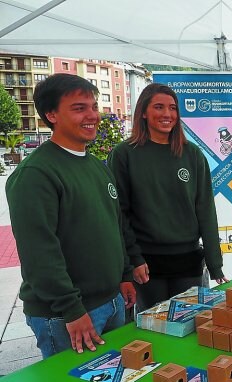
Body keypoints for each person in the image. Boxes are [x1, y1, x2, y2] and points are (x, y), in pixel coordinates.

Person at [5, 73, 135, 358]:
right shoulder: (35, 174)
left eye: (93, 106)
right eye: (79, 108)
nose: (92, 115)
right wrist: (72, 309)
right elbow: (39, 252)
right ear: (51, 114)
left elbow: (114, 226)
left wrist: (125, 274)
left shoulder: (97, 166)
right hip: (67, 315)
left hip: (111, 301)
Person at [108, 83, 227, 314]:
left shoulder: (191, 154)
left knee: (192, 325)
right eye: (159, 107)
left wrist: (215, 263)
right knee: (154, 328)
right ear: (143, 111)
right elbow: (119, 213)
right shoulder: (124, 154)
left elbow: (205, 210)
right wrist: (133, 259)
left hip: (188, 260)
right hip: (146, 263)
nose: (167, 114)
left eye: (172, 108)